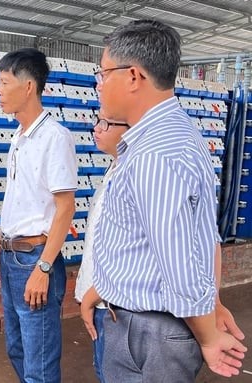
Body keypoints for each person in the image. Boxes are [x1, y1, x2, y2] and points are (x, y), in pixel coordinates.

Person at [93, 19, 247, 381]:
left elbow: (178, 258)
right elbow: (204, 236)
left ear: (133, 76)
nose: (99, 85)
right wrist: (213, 303)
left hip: (149, 333)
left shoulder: (156, 152)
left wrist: (208, 336)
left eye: (103, 74)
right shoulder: (175, 133)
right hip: (144, 326)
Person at [0, 48, 77, 383]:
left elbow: (66, 208)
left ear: (28, 87)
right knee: (17, 349)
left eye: (4, 82)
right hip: (13, 257)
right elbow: (17, 200)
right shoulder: (19, 138)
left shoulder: (54, 137)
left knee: (39, 361)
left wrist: (44, 267)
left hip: (35, 259)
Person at [74, 114, 129, 383]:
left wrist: (94, 296)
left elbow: (131, 251)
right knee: (103, 371)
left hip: (113, 306)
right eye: (97, 120)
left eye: (106, 123)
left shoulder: (132, 176)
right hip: (100, 301)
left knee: (112, 374)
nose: (96, 128)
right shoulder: (113, 169)